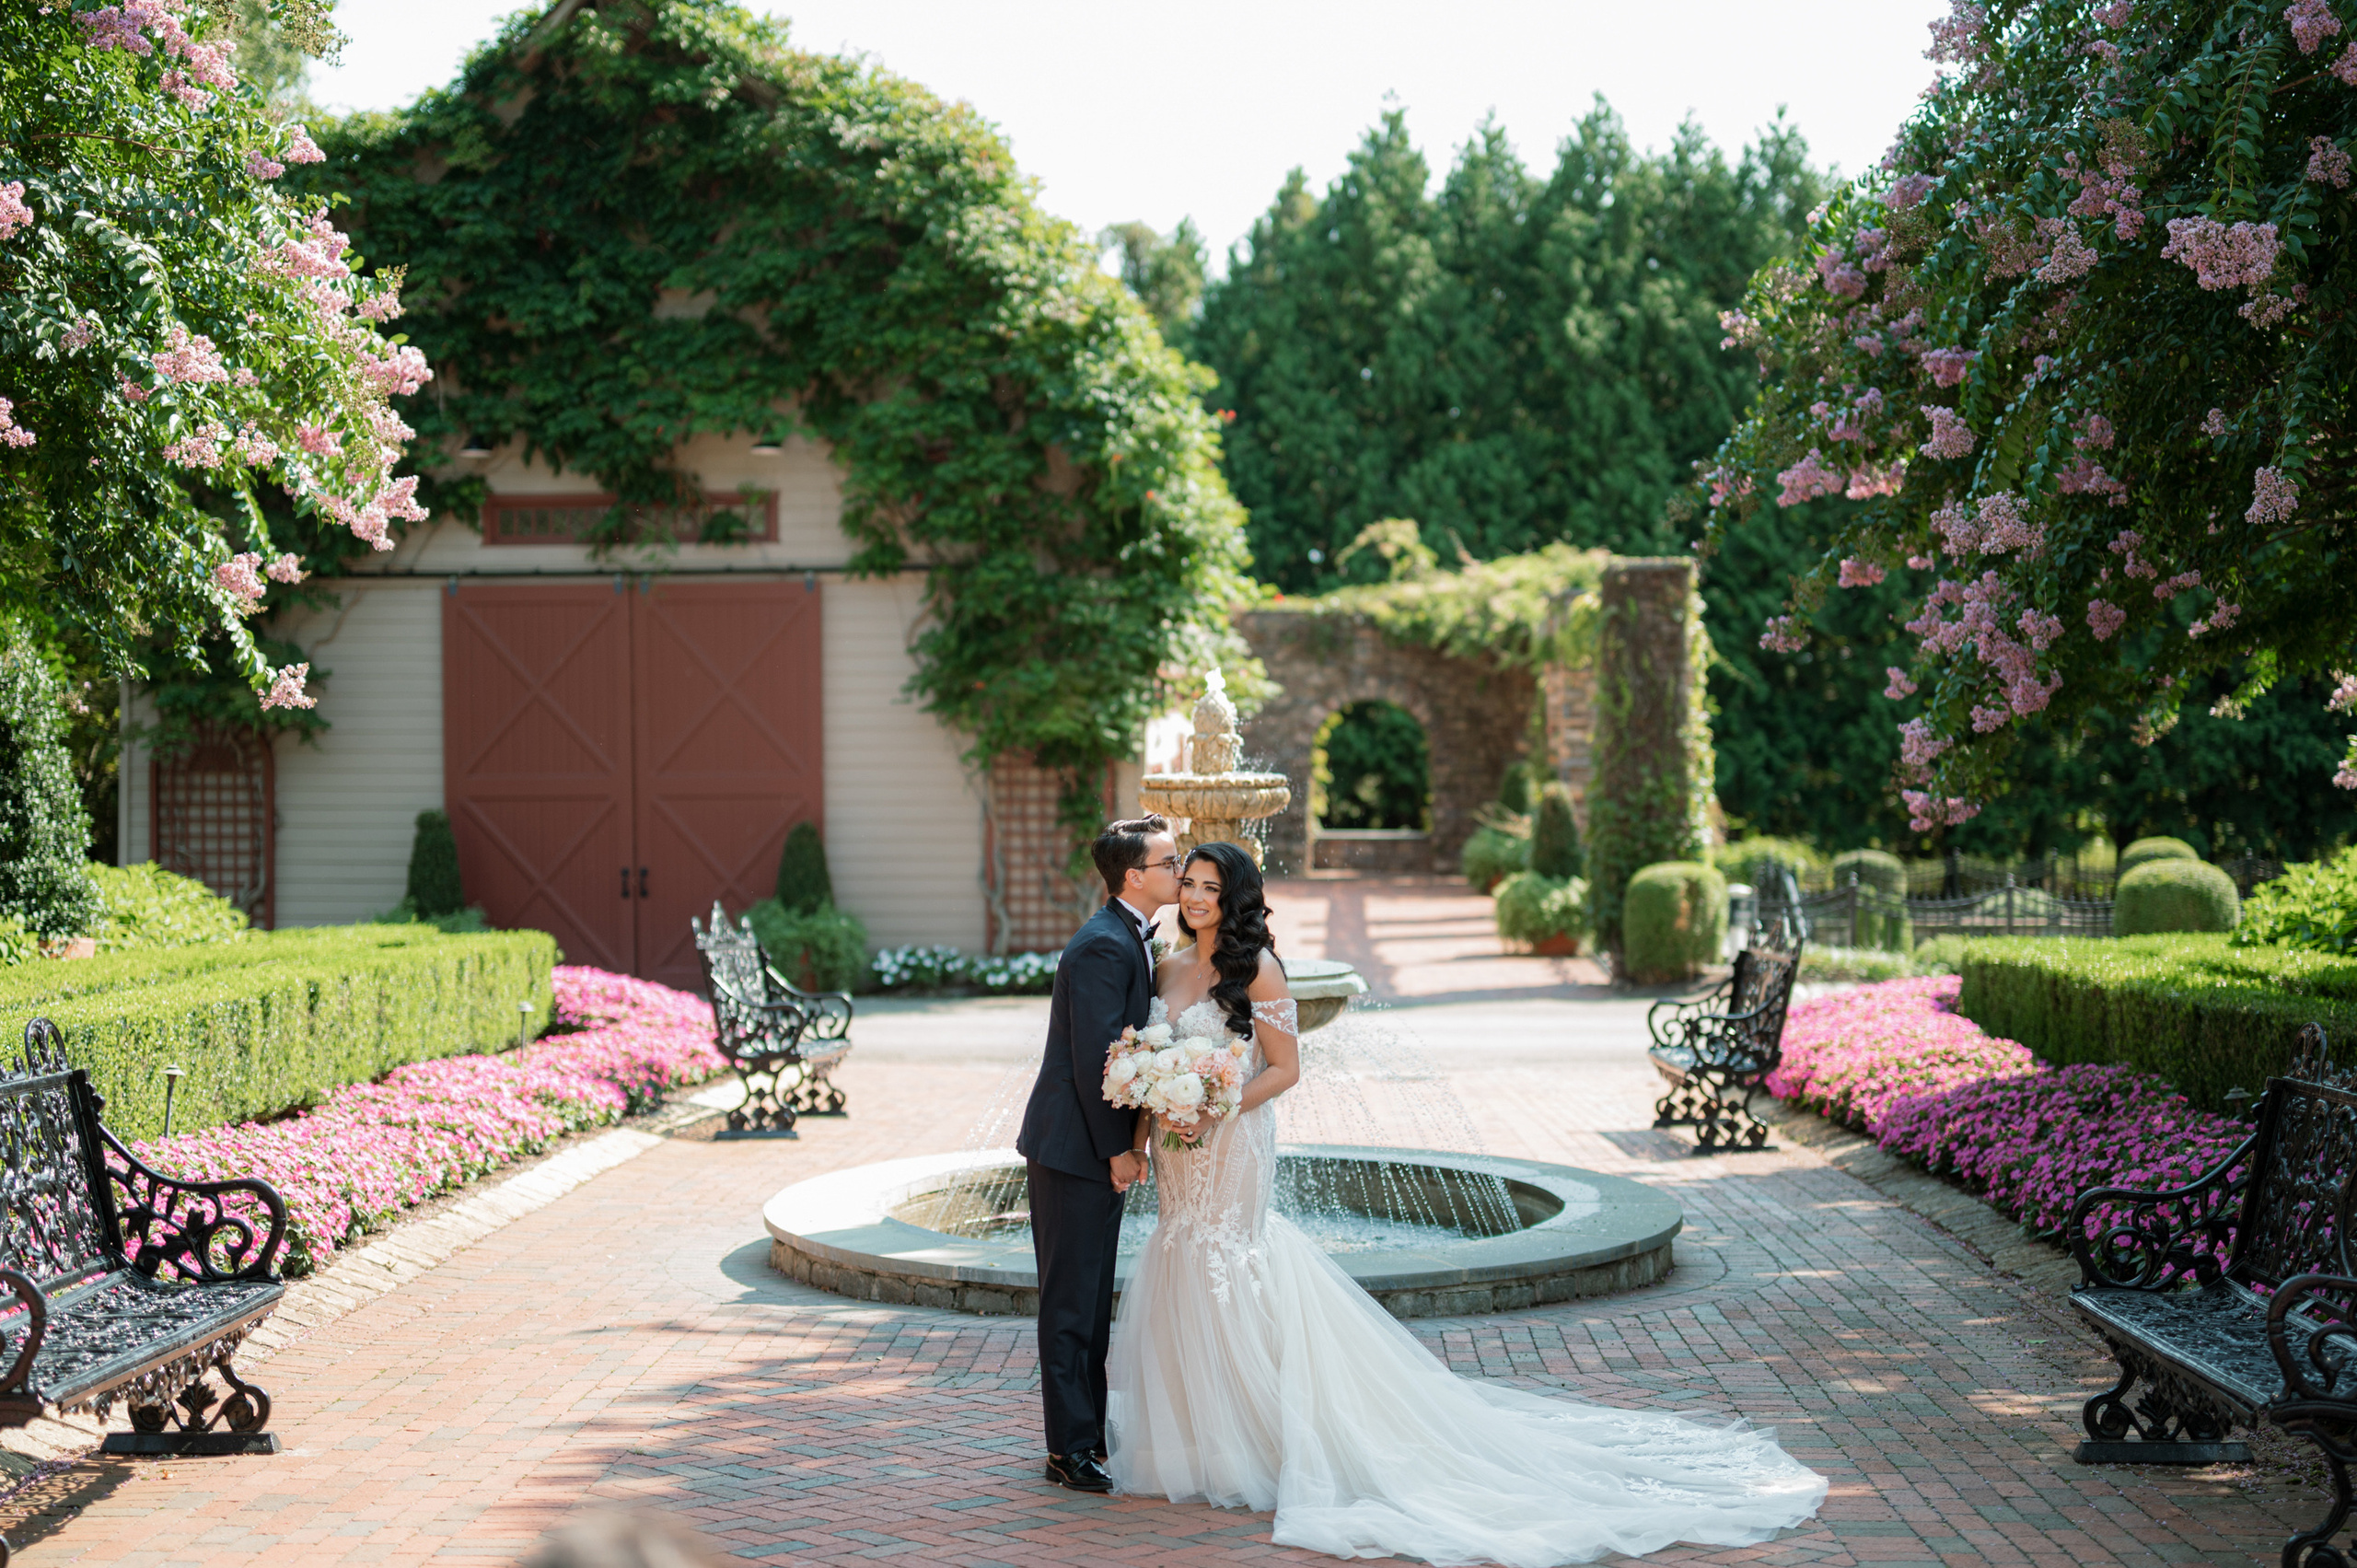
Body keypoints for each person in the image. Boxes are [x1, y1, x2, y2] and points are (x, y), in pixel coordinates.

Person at [1104, 840, 1829, 1565]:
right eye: (1190, 884)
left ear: (1236, 898)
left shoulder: (1257, 968)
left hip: (1233, 1142)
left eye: (1210, 886)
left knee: (1228, 1254)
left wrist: (1219, 1106)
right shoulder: (1165, 967)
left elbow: (1287, 1069)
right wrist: (1142, 1136)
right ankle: (1196, 1437)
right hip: (1175, 1148)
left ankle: (1254, 1435)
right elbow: (1150, 1063)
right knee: (1181, 1247)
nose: (1196, 896)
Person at [1013, 814, 1180, 1493]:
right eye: (1171, 862)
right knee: (1071, 1303)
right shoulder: (1103, 946)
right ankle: (1068, 1450)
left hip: (1089, 1144)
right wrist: (1119, 1150)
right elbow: (1095, 1062)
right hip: (1073, 1148)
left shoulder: (1131, 937)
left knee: (1087, 1298)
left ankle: (1086, 1432)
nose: (1179, 870)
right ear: (1134, 875)